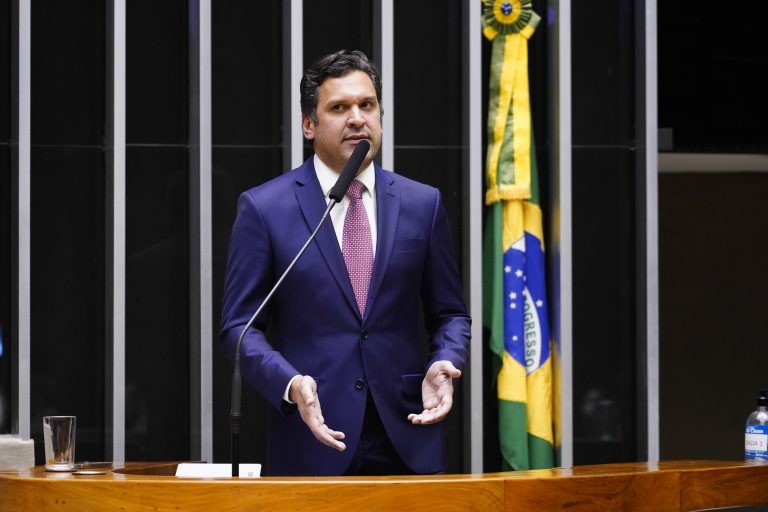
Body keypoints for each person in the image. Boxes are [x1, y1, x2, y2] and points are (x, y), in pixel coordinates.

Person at [219, 49, 470, 476]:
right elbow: (240, 328)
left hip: (409, 434)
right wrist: (291, 384)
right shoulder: (265, 208)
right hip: (314, 435)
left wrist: (446, 358)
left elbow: (450, 313)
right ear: (309, 125)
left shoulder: (421, 203)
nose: (357, 118)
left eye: (366, 105)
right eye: (339, 107)